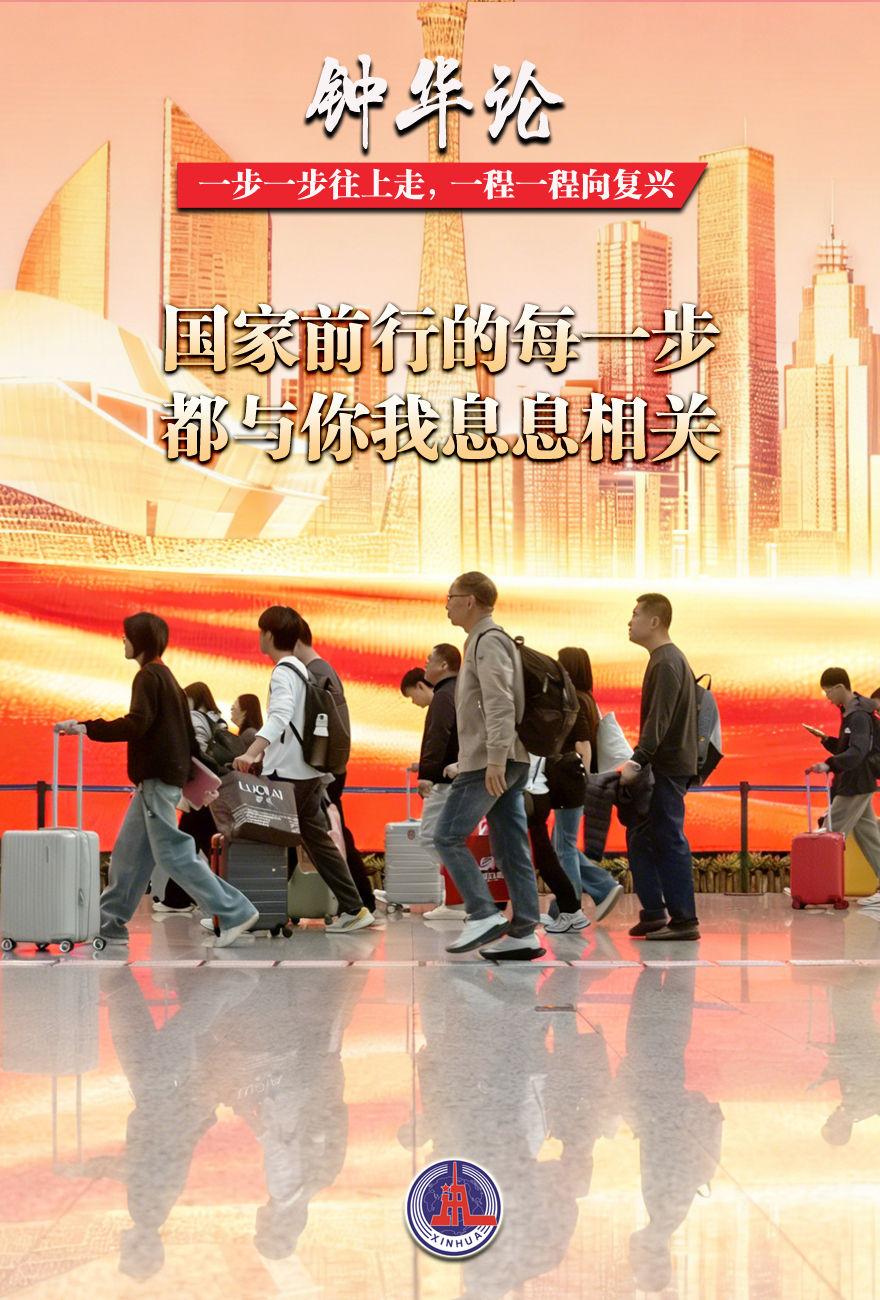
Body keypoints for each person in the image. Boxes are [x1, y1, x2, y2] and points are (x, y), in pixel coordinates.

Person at [57, 612, 259, 948]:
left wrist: (88, 727)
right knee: (128, 856)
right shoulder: (168, 678)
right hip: (158, 782)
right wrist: (201, 776)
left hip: (155, 781)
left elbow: (137, 723)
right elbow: (188, 738)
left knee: (174, 854)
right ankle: (109, 925)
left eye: (127, 635)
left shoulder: (148, 677)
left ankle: (234, 911)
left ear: (140, 640)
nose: (123, 640)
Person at [233, 605, 372, 933]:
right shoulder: (300, 669)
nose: (259, 637)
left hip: (288, 776)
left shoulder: (283, 671)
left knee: (264, 838)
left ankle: (245, 912)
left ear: (268, 635)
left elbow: (280, 716)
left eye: (260, 632)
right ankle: (354, 908)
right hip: (307, 772)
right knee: (317, 842)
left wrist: (252, 752)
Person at [433, 571, 545, 961]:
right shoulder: (484, 640)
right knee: (510, 845)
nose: (446, 605)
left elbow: (500, 702)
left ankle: (483, 914)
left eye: (450, 597)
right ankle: (524, 932)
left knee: (446, 836)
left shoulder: (488, 640)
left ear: (470, 601)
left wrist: (494, 757)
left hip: (491, 761)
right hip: (502, 758)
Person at [621, 593, 700, 941]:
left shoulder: (667, 661)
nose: (630, 621)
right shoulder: (665, 658)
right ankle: (654, 912)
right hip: (665, 764)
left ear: (654, 621)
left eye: (636, 614)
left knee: (669, 838)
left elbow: (660, 719)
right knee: (640, 836)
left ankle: (684, 920)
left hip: (666, 766)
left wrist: (638, 759)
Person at [293, 617, 376, 914]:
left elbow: (325, 729)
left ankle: (359, 903)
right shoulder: (322, 671)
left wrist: (322, 767)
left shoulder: (316, 673)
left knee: (326, 836)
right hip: (328, 768)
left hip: (323, 770)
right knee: (330, 834)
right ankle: (360, 902)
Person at [552, 646, 625, 923]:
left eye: (561, 664)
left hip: (572, 780)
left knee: (564, 846)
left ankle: (571, 907)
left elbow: (582, 744)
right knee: (561, 845)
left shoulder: (575, 701)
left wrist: (579, 778)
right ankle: (578, 899)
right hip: (578, 780)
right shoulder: (587, 700)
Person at [153, 679, 229, 916]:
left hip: (200, 791)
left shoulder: (195, 718)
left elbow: (194, 753)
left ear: (194, 698)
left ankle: (179, 900)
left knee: (186, 845)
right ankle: (186, 898)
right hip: (215, 790)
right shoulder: (220, 721)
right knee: (202, 845)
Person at [807, 667, 880, 905]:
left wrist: (829, 764)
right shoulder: (852, 711)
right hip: (859, 781)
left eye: (828, 692)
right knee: (870, 838)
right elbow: (851, 748)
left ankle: (813, 887)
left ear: (840, 687)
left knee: (829, 833)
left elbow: (857, 752)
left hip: (855, 782)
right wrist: (828, 741)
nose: (827, 697)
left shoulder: (857, 715)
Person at [524, 755, 589, 933]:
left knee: (543, 858)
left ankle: (569, 910)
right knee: (544, 857)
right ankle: (570, 910)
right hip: (538, 791)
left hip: (528, 792)